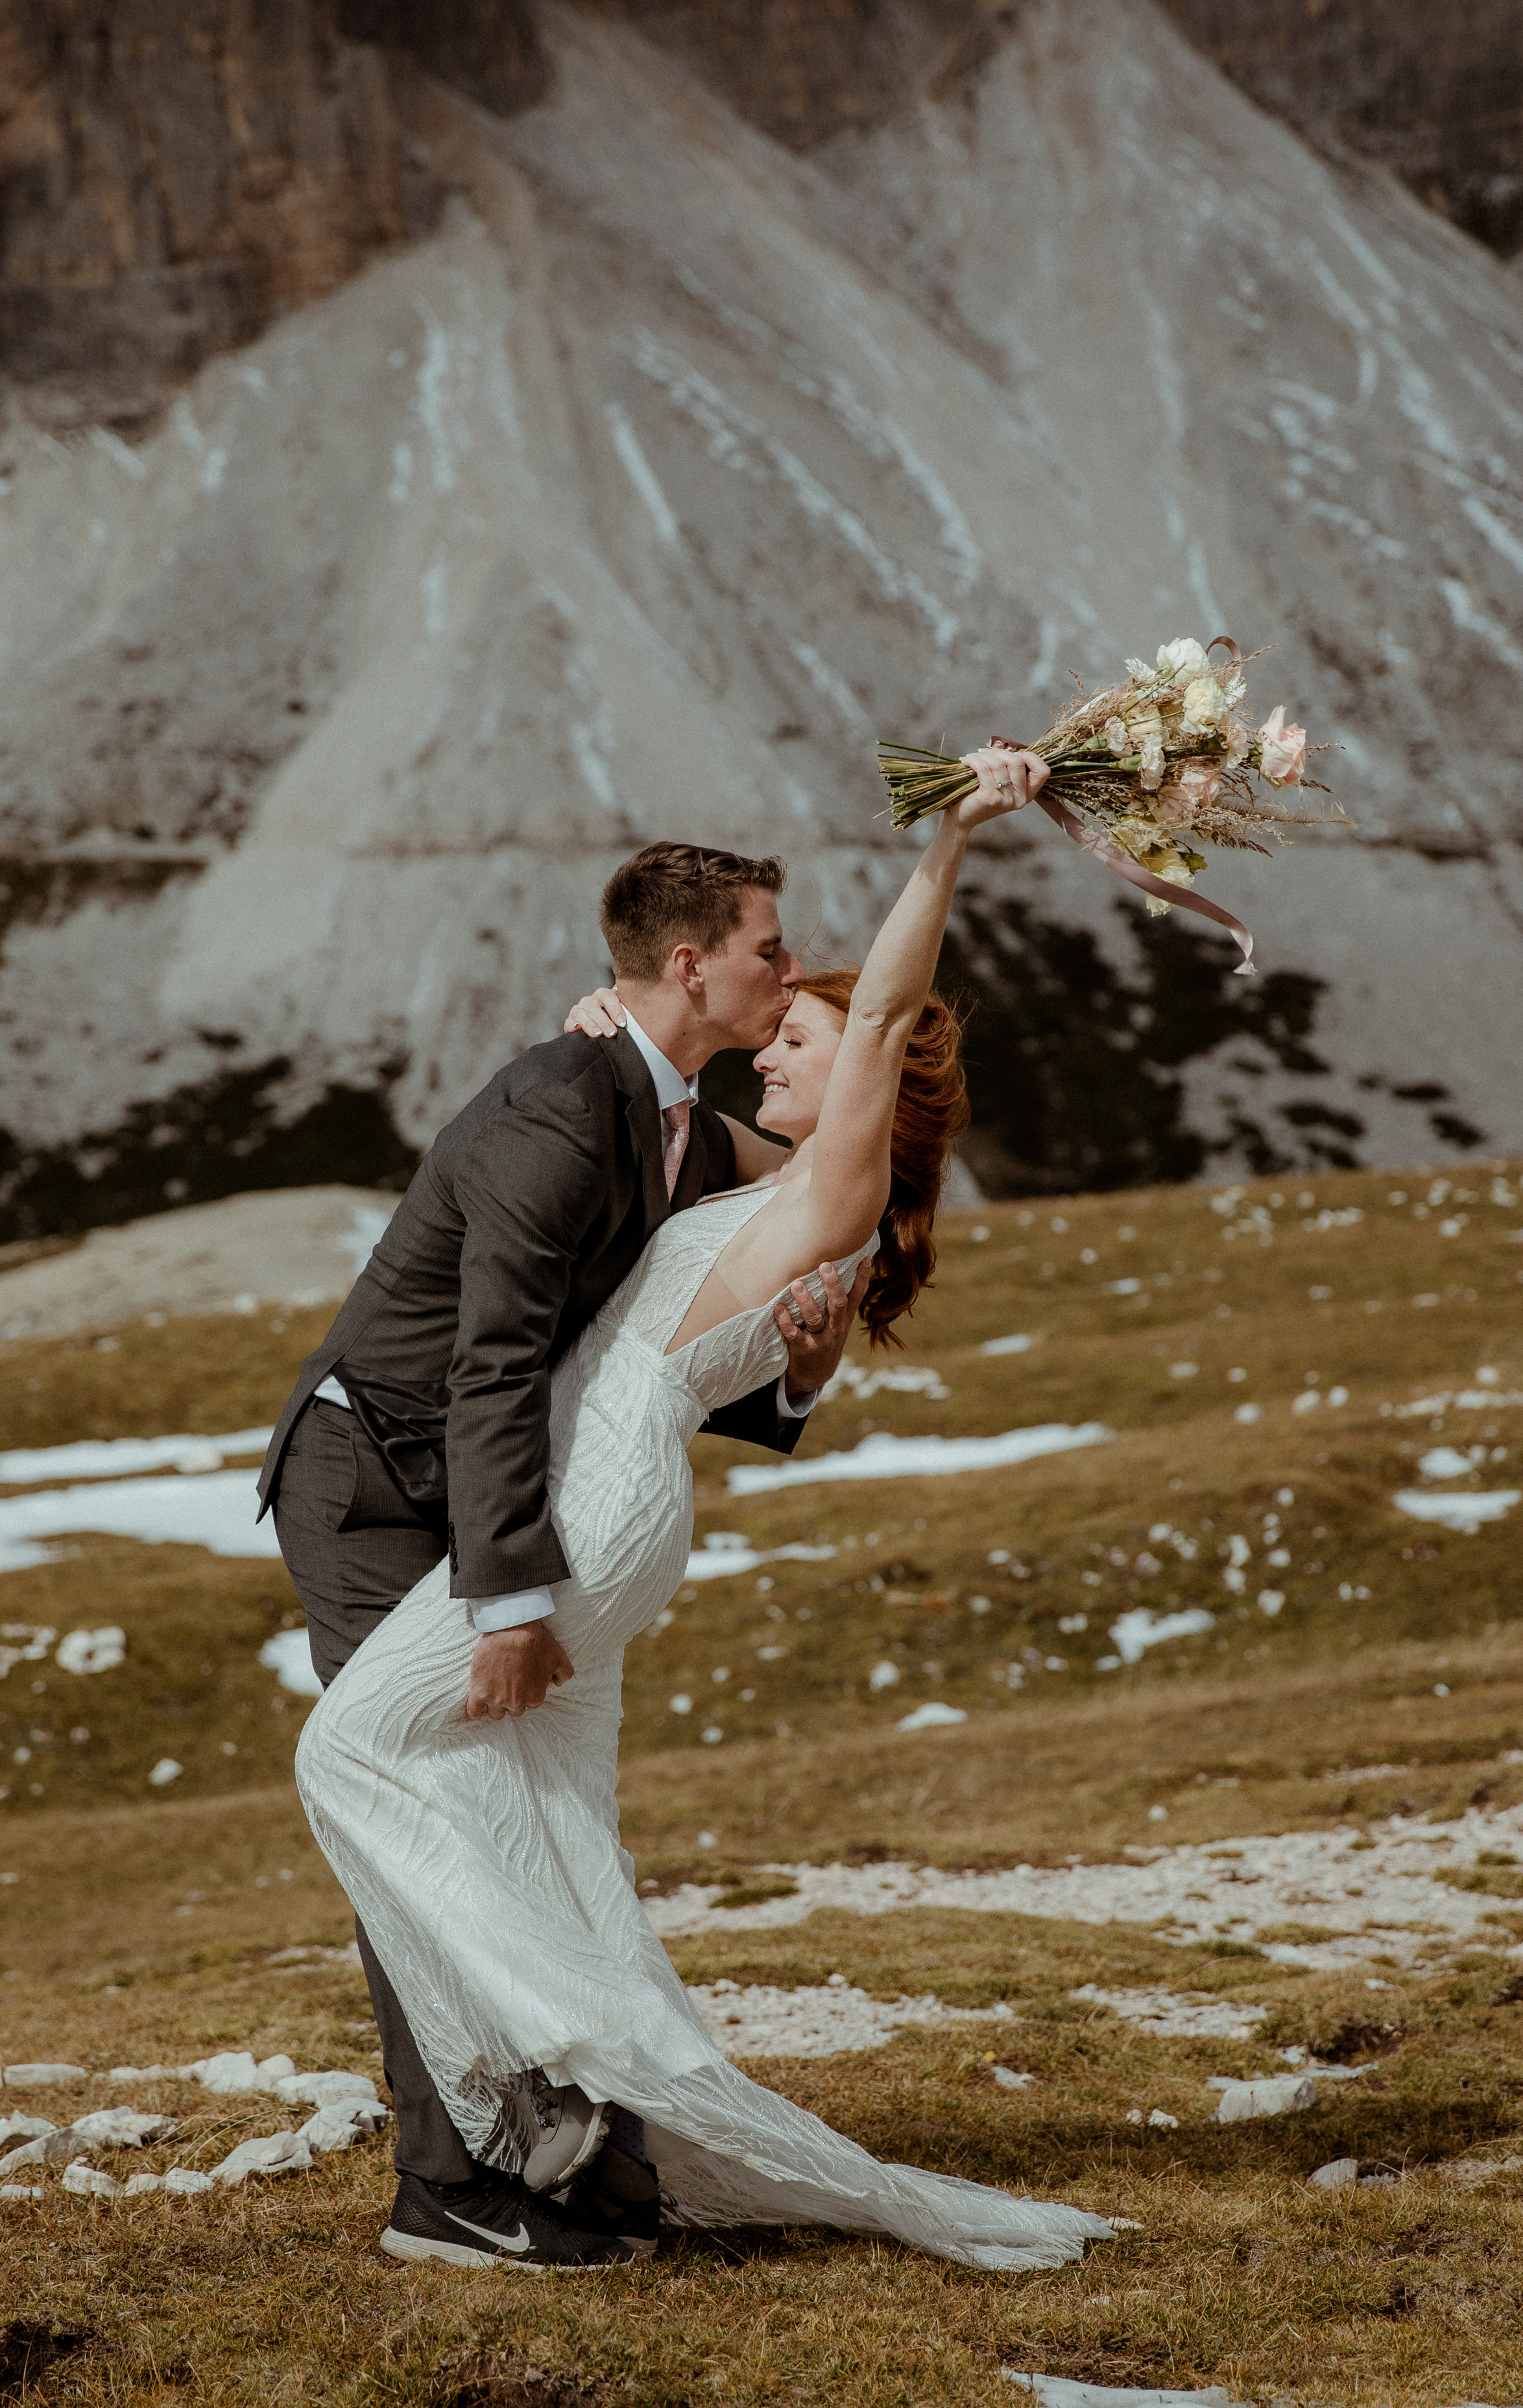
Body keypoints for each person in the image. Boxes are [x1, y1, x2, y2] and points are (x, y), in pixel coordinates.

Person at [295, 741, 1114, 2273]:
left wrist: (946, 840)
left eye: (801, 1029)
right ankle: (591, 2131)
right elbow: (644, 1136)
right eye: (769, 1000)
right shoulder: (759, 1175)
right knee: (548, 1824)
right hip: (600, 1496)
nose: (783, 1036)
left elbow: (877, 1010)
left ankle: (557, 2071)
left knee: (345, 1750)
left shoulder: (833, 1187)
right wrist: (610, 1039)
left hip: (594, 1510)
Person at [259, 841, 865, 2269]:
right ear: (688, 965)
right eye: (768, 952)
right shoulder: (557, 1106)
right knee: (421, 1799)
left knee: (514, 1813)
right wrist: (510, 1601)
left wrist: (802, 1363)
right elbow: (492, 1365)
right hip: (373, 1478)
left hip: (472, 1477)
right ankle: (448, 2188)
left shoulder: (668, 1114)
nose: (785, 971)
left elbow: (812, 1182)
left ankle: (576, 2147)